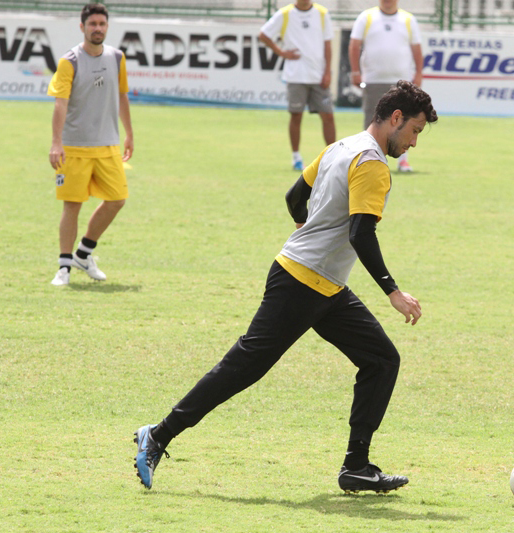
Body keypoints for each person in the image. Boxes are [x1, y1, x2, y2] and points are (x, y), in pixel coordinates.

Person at [134, 81, 438, 494]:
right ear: (396, 118)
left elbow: (295, 198)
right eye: (416, 131)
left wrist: (309, 229)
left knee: (382, 359)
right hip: (301, 283)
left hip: (322, 284)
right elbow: (361, 234)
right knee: (243, 367)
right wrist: (393, 291)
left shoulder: (340, 146)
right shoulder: (372, 164)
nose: (415, 143)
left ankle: (357, 466)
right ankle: (157, 434)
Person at [48, 3, 133, 286]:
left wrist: (129, 133)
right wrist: (56, 143)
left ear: (107, 26)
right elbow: (60, 104)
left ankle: (83, 253)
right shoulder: (69, 61)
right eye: (93, 24)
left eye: (102, 24)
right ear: (82, 27)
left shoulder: (117, 57)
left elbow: (122, 96)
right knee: (72, 206)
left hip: (108, 145)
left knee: (117, 200)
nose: (98, 28)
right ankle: (64, 267)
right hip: (74, 147)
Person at [259, 0, 336, 171]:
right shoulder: (285, 14)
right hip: (296, 76)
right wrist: (281, 52)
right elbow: (263, 35)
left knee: (328, 116)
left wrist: (328, 72)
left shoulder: (322, 14)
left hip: (318, 75)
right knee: (296, 116)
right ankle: (296, 157)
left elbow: (328, 45)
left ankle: (334, 157)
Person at [349, 0, 423, 173]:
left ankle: (403, 160)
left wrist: (419, 73)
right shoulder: (366, 17)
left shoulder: (408, 19)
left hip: (401, 82)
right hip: (373, 80)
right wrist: (355, 72)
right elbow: (354, 45)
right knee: (373, 120)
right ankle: (369, 160)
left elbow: (417, 49)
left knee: (404, 121)